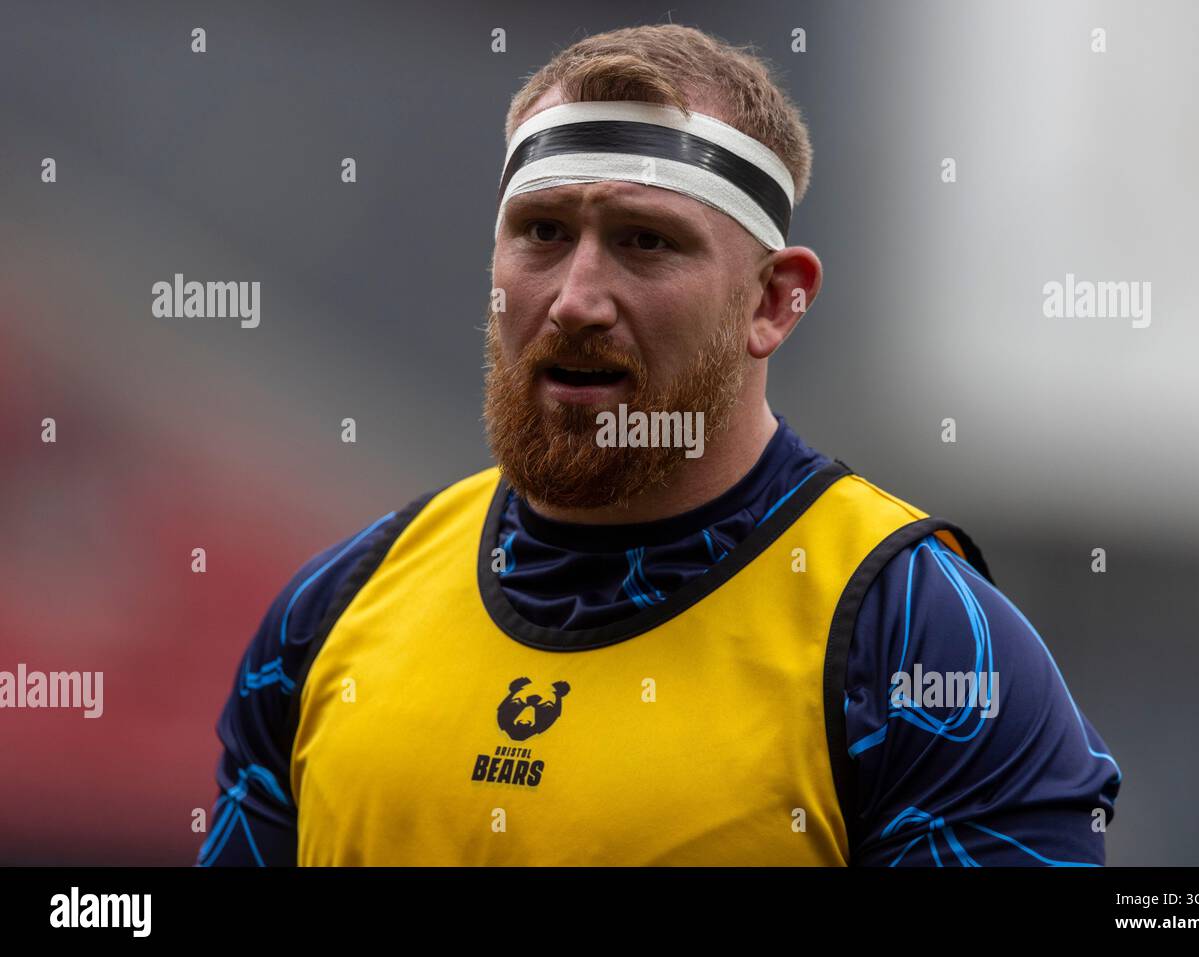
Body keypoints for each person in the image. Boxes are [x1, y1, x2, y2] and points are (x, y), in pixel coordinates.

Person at [198, 24, 1120, 867]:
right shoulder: (331, 614)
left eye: (646, 242)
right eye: (543, 233)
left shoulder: (917, 640)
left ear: (773, 301)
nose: (575, 299)